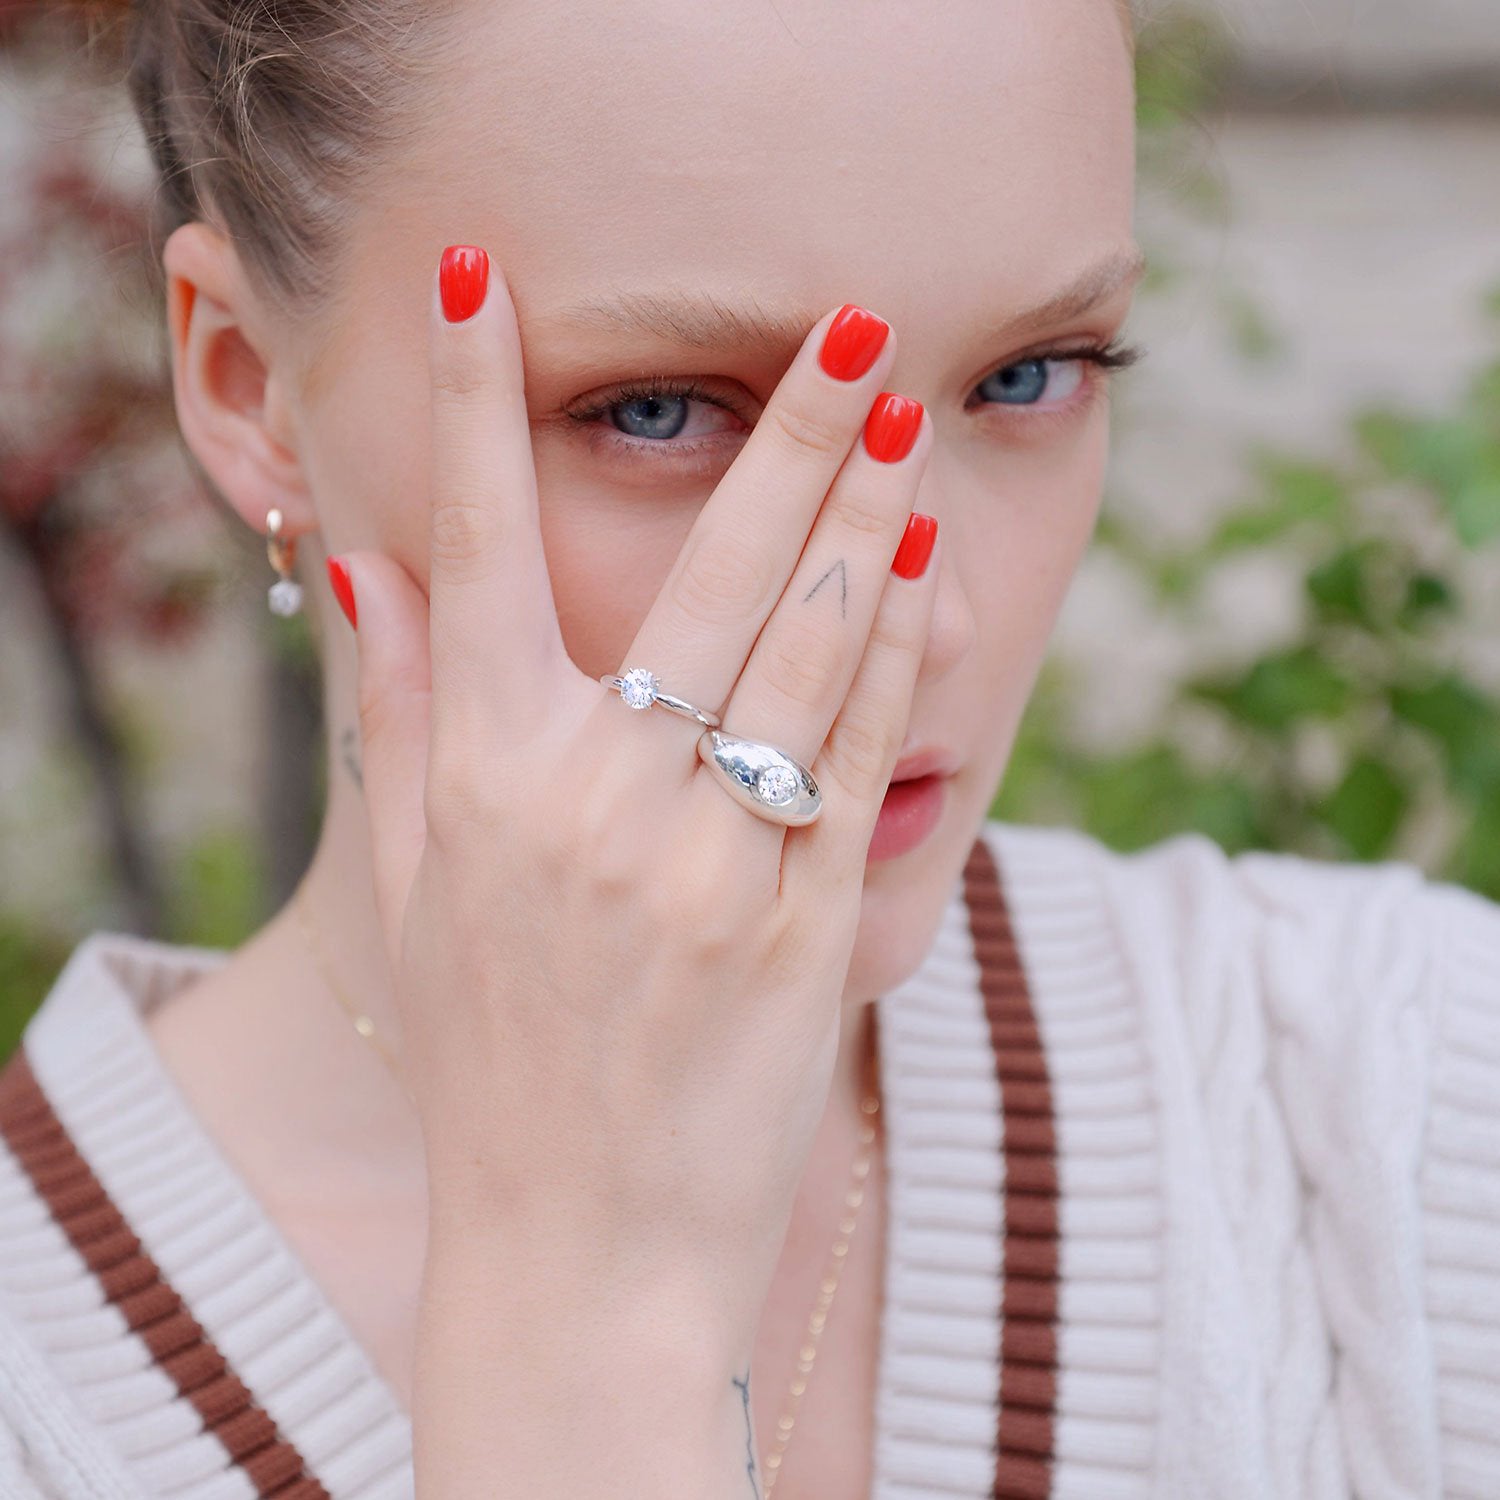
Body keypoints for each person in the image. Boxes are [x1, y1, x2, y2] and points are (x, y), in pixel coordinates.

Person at [2, 0, 1497, 1495]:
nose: (935, 617)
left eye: (1033, 376)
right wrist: (585, 1324)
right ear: (248, 387)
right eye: (662, 412)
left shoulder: (1412, 1110)